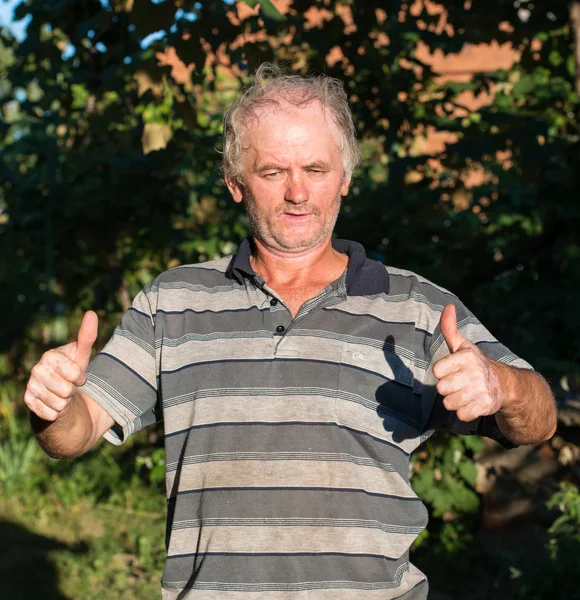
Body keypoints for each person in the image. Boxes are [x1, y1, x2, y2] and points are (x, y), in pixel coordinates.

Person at [25, 63, 557, 599]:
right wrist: (54, 406)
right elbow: (77, 430)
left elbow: (539, 418)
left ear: (345, 179)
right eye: (273, 172)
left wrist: (502, 386)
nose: (298, 192)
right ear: (236, 184)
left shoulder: (418, 307)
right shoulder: (173, 302)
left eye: (317, 169)